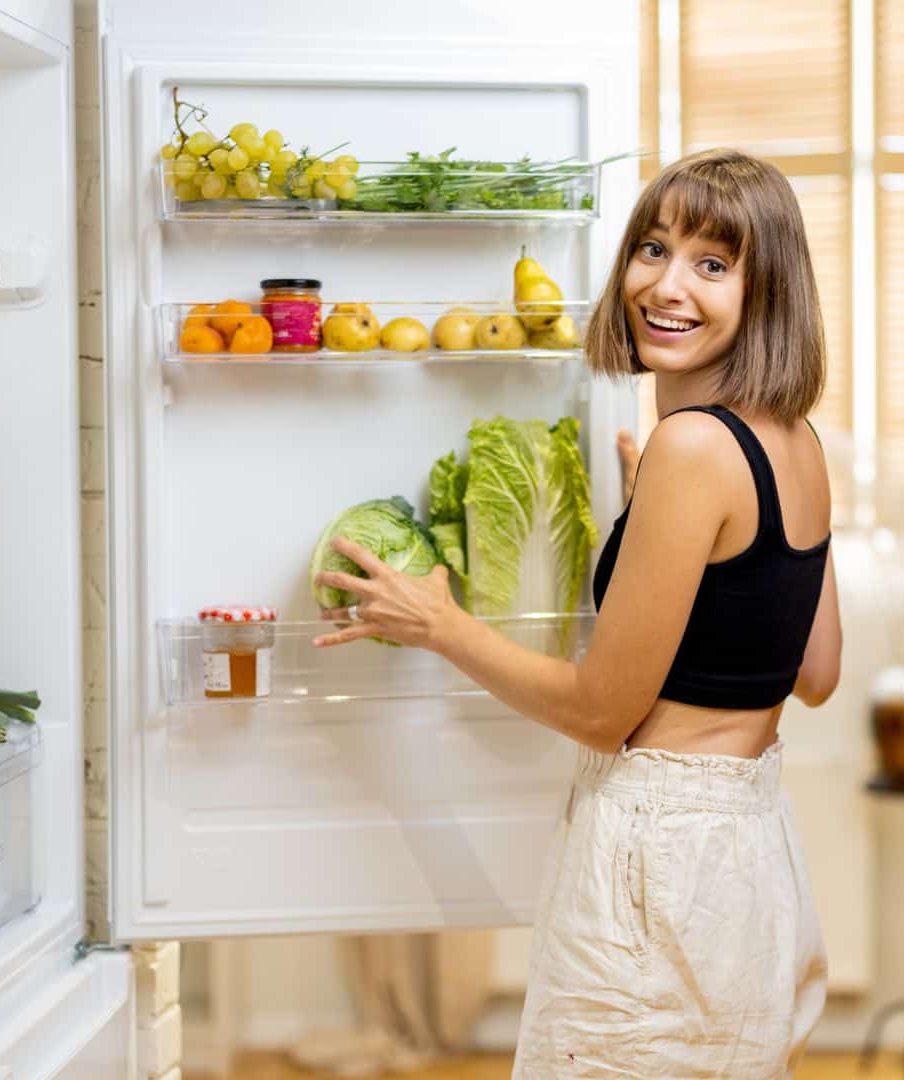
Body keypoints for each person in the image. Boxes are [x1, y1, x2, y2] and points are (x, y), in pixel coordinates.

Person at [313, 147, 842, 1078]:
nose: (666, 285)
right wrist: (664, 531)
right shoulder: (792, 442)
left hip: (659, 853)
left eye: (713, 265)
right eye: (652, 249)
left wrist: (441, 623)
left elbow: (602, 711)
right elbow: (816, 671)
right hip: (750, 846)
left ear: (769, 293)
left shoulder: (693, 449)